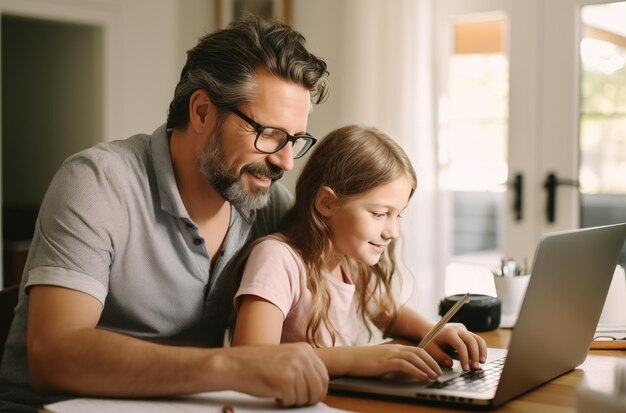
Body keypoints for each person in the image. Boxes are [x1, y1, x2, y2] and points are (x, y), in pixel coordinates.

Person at [0, 17, 331, 411]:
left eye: (295, 140)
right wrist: (232, 365)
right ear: (203, 111)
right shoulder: (98, 181)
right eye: (270, 134)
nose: (285, 162)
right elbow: (52, 355)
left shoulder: (266, 201)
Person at [232, 125, 487, 379]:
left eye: (397, 215)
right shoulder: (277, 259)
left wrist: (432, 330)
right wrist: (355, 359)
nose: (392, 232)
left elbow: (390, 314)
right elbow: (250, 356)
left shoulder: (348, 260)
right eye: (379, 214)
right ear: (327, 203)